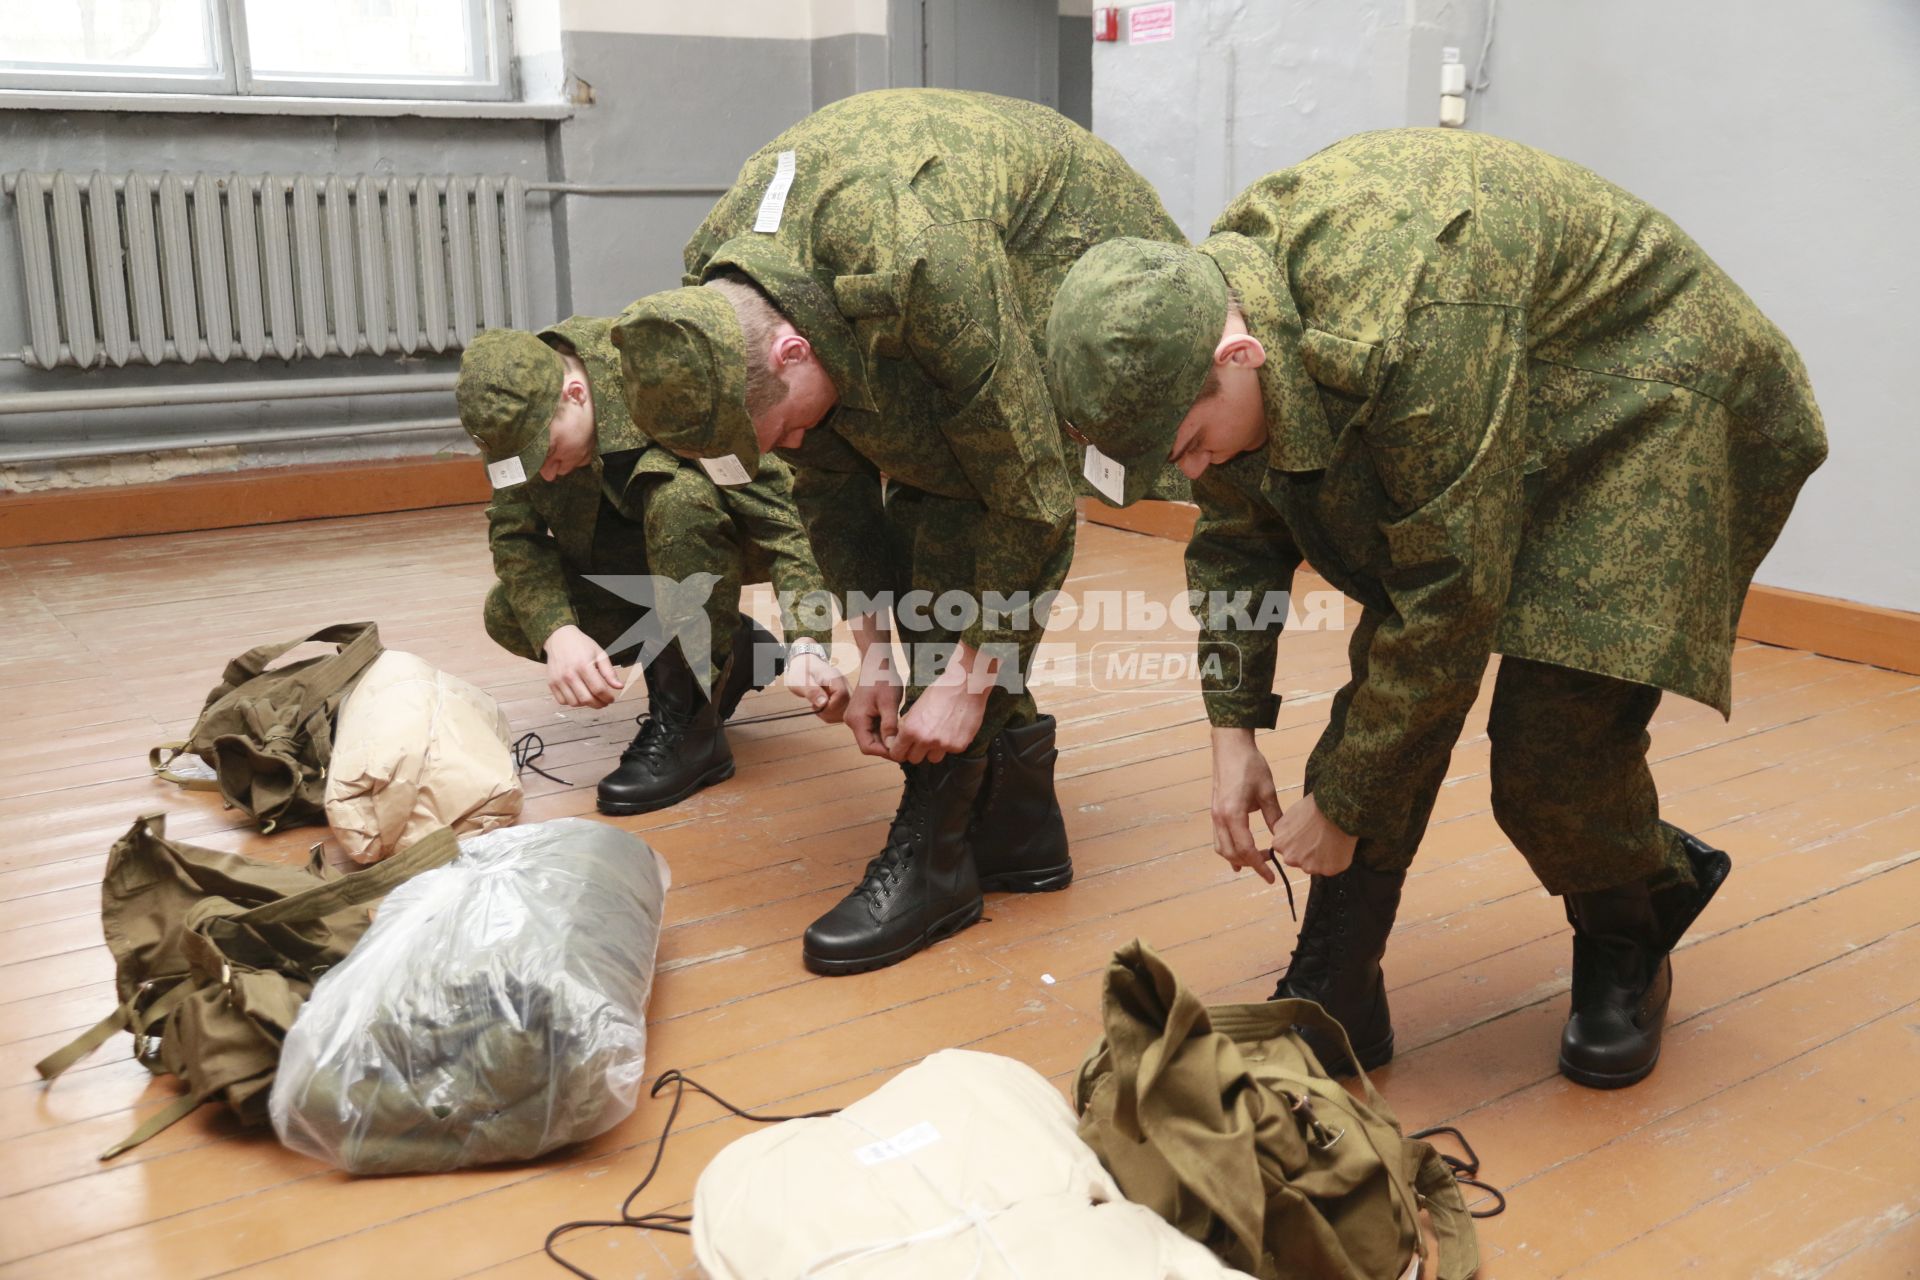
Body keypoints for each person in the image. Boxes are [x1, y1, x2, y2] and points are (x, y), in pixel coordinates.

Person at [1043, 128, 1827, 1088]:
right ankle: (1339, 978)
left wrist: (1343, 801)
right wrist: (1232, 732)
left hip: (1651, 391)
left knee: (1552, 745)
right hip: (1507, 374)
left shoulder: (1409, 319)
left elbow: (1446, 600)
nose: (1194, 471)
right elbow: (1237, 539)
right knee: (1393, 682)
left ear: (1237, 352)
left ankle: (1633, 928)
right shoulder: (1197, 327)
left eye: (1196, 443)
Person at [609, 88, 1187, 975]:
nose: (792, 446)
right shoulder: (719, 286)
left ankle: (940, 857)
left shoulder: (918, 266)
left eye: (783, 424)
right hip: (919, 252)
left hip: (1064, 257)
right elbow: (825, 482)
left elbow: (1029, 497)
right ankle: (1020, 832)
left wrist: (965, 676)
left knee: (956, 513)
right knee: (868, 471)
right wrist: (872, 648)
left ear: (791, 350)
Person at [455, 317, 848, 815]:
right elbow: (515, 537)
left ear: (575, 392)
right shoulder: (515, 414)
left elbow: (782, 520)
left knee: (679, 499)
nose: (546, 473)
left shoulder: (666, 382)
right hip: (632, 558)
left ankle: (693, 729)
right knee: (512, 612)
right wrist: (558, 633)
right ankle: (734, 647)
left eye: (549, 454)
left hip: (719, 535)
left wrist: (808, 640)